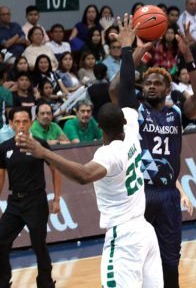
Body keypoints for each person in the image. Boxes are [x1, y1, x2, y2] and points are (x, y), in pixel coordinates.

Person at [16, 24, 164, 286]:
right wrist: (131, 51)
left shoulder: (109, 154)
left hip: (125, 240)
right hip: (145, 231)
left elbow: (84, 175)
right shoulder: (131, 128)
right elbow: (124, 88)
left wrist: (44, 152)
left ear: (99, 125)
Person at [109, 14, 196, 288]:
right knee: (135, 259)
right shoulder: (134, 110)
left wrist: (189, 57)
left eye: (157, 83)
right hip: (138, 193)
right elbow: (116, 89)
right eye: (148, 82)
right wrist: (133, 53)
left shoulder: (177, 113)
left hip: (166, 195)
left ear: (168, 89)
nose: (151, 85)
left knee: (169, 260)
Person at [0, 107, 61, 288]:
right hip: (14, 203)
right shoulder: (4, 148)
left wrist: (57, 198)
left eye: (25, 121)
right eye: (17, 122)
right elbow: (1, 177)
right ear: (11, 124)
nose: (21, 126)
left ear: (31, 123)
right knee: (1, 241)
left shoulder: (40, 144)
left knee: (38, 244)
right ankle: (3, 281)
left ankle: (45, 282)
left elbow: (55, 169)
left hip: (36, 201)